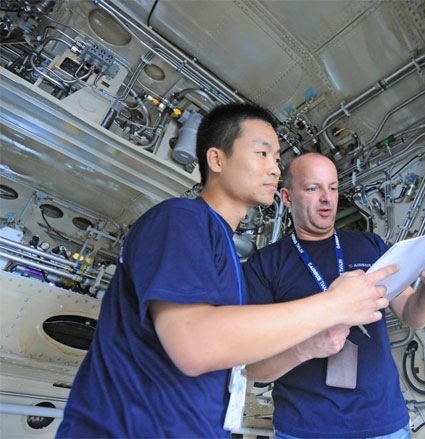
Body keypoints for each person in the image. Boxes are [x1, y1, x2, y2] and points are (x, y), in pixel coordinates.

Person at [56, 104, 397, 438]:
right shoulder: (180, 219)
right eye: (262, 154)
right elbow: (193, 343)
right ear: (217, 160)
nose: (274, 168)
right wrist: (333, 305)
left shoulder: (224, 250)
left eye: (277, 158)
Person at [243, 152, 425, 439]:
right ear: (287, 197)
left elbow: (412, 315)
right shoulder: (264, 265)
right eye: (313, 188)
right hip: (306, 428)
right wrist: (305, 348)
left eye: (332, 188)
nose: (326, 198)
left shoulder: (370, 246)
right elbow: (251, 368)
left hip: (384, 424)